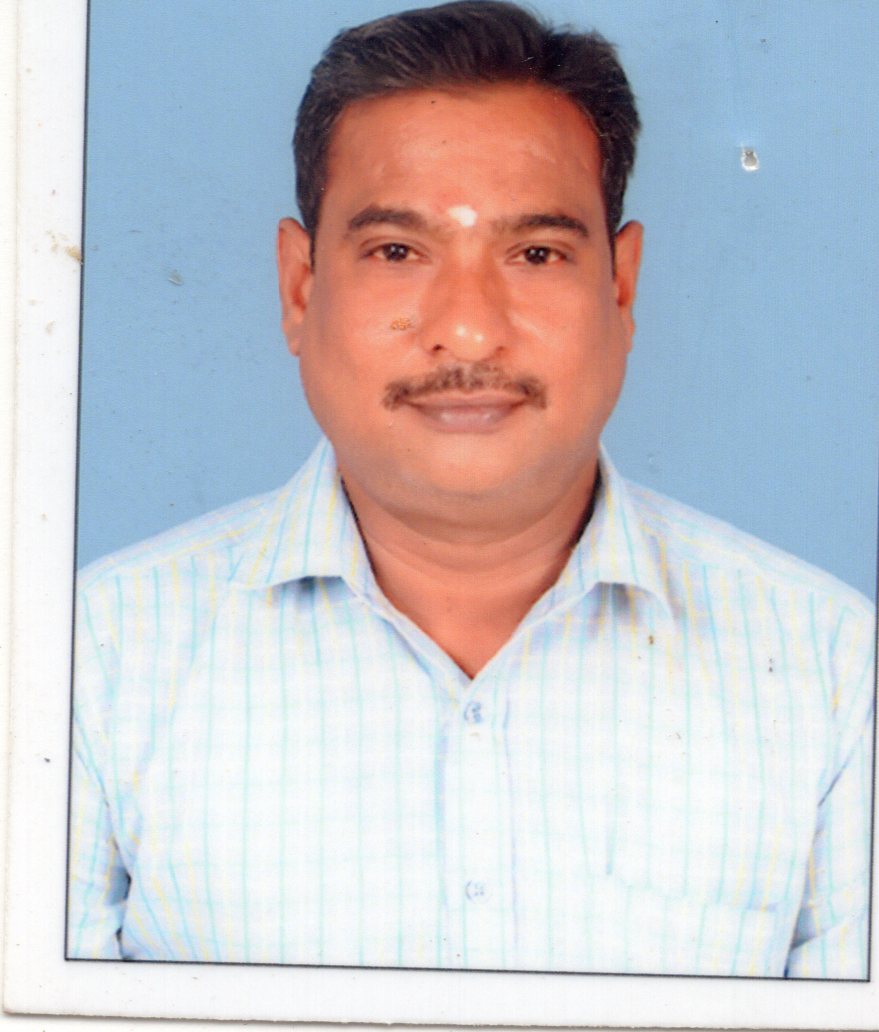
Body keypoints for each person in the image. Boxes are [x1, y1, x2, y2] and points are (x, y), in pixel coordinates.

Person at [67, 0, 874, 978]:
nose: (468, 329)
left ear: (621, 289)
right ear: (300, 287)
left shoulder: (833, 671)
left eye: (535, 254)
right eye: (396, 252)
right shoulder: (89, 663)